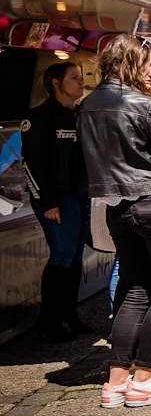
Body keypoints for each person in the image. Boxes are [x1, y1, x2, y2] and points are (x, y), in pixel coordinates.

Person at [78, 36, 151, 408]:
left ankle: (116, 382)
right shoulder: (145, 106)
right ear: (131, 61)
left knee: (133, 288)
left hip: (116, 206)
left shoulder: (87, 104)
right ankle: (144, 377)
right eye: (149, 62)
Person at [23, 62, 90, 340]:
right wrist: (47, 201)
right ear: (55, 82)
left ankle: (69, 316)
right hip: (55, 200)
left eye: (81, 77)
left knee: (75, 257)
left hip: (79, 196)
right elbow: (32, 165)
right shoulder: (38, 117)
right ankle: (48, 322)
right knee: (61, 256)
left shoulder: (80, 115)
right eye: (73, 77)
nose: (80, 82)